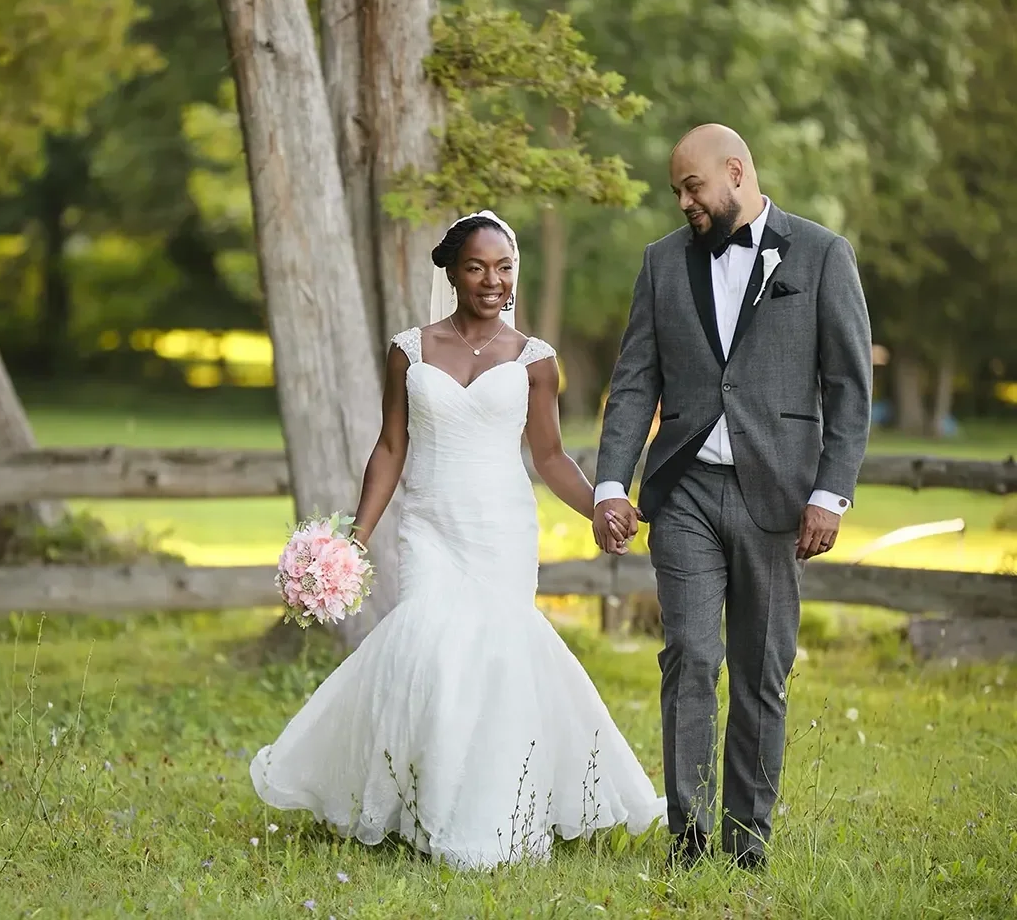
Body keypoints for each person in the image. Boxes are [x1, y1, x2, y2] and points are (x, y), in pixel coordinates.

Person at [250, 210, 666, 870]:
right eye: (477, 267)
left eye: (504, 267)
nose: (493, 280)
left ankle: (495, 814)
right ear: (452, 272)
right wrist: (355, 537)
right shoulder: (409, 350)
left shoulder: (535, 360)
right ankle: (425, 810)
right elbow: (391, 447)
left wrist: (600, 505)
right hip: (430, 526)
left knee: (496, 658)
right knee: (432, 647)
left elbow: (551, 455)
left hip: (501, 526)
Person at [591, 125, 872, 870]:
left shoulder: (819, 254)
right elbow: (633, 383)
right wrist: (612, 484)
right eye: (677, 190)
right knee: (690, 651)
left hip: (778, 496)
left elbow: (849, 389)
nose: (683, 201)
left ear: (736, 171)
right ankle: (688, 838)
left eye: (692, 187)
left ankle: (747, 841)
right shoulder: (660, 263)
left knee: (760, 667)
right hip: (682, 491)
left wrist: (830, 494)